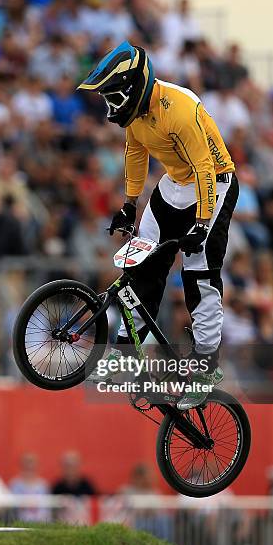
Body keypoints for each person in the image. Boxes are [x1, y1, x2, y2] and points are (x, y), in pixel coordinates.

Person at [78, 40, 238, 409]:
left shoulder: (178, 109)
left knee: (198, 273)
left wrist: (201, 223)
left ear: (133, 89)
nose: (111, 108)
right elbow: (135, 152)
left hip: (214, 184)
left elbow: (204, 168)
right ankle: (125, 350)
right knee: (139, 261)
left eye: (114, 98)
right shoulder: (136, 117)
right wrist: (129, 205)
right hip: (176, 185)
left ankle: (206, 366)